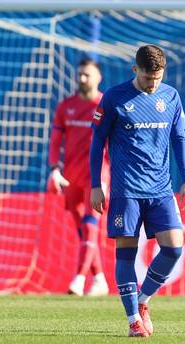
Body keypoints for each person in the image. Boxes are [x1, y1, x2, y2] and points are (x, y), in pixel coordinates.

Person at [90, 44, 185, 338]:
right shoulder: (114, 98)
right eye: (149, 78)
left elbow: (179, 139)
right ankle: (133, 319)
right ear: (136, 70)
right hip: (126, 190)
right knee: (126, 254)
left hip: (161, 189)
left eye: (158, 78)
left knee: (174, 247)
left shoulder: (170, 96)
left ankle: (143, 299)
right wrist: (97, 185)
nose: (153, 84)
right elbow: (97, 143)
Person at [47, 58, 109, 297]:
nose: (82, 79)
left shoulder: (104, 104)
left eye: (87, 75)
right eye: (80, 74)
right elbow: (55, 141)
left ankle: (79, 279)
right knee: (82, 231)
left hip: (97, 176)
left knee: (90, 225)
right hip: (70, 177)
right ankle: (100, 279)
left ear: (98, 77)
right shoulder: (66, 106)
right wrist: (54, 168)